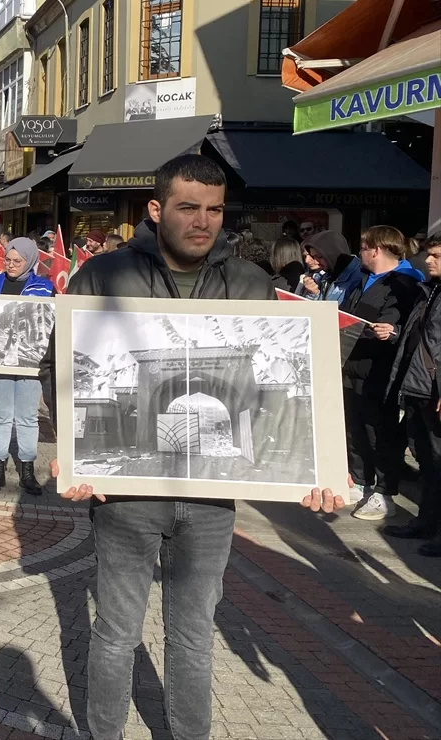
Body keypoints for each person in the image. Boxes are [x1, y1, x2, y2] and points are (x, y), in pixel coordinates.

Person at [52, 155, 347, 740]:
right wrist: (69, 444)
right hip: (128, 500)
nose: (204, 221)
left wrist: (315, 464)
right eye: (189, 208)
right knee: (116, 633)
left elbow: (275, 389)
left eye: (214, 209)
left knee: (192, 636)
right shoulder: (104, 274)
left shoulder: (251, 282)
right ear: (156, 209)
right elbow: (59, 367)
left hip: (213, 500)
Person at [344, 225, 423, 520]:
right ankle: (360, 480)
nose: (359, 253)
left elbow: (400, 327)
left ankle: (384, 490)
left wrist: (389, 332)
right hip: (352, 363)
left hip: (380, 369)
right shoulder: (362, 278)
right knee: (354, 427)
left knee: (380, 432)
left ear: (376, 249)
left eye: (363, 247)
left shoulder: (403, 282)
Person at [0, 237, 53, 494]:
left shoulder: (45, 287)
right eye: (8, 260)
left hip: (31, 363)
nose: (11, 265)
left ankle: (27, 471)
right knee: (1, 414)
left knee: (28, 417)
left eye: (17, 261)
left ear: (30, 261)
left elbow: (55, 325)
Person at [384, 233, 441, 556]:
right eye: (429, 254)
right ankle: (426, 521)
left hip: (435, 391)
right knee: (428, 464)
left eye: (436, 255)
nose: (428, 260)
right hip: (419, 389)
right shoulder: (429, 292)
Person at [299, 230, 363, 302]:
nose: (316, 262)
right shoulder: (325, 276)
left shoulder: (361, 277)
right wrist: (313, 294)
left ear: (333, 253)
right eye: (314, 257)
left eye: (319, 256)